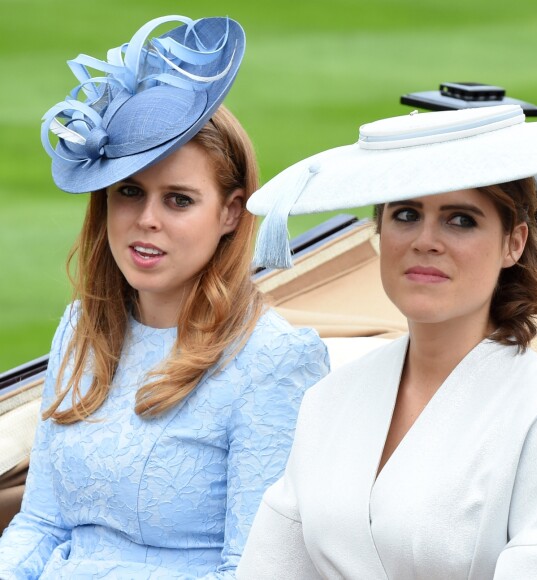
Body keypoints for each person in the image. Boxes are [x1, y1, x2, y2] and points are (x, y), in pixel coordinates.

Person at [0, 15, 329, 579]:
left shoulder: (274, 360)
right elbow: (42, 525)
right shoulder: (81, 325)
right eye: (129, 192)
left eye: (178, 200)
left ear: (230, 212)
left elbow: (251, 569)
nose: (145, 220)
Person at [237, 105, 537, 579]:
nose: (426, 240)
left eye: (460, 220)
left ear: (514, 243)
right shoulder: (329, 400)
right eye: (406, 214)